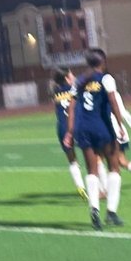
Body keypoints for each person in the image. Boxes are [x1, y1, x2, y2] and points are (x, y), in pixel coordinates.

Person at [63, 48, 126, 230]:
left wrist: (69, 132)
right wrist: (120, 125)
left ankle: (94, 210)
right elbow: (113, 102)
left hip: (83, 128)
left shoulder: (79, 81)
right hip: (102, 127)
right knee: (114, 167)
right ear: (102, 61)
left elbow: (72, 108)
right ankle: (111, 212)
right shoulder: (106, 78)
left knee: (92, 170)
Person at [51, 67, 89, 200]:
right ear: (67, 78)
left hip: (61, 127)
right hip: (76, 126)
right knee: (92, 155)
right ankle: (100, 186)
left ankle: (80, 186)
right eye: (71, 74)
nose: (74, 76)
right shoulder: (75, 89)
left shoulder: (55, 92)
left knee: (72, 160)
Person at [101, 90, 131, 189]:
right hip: (111, 131)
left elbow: (121, 111)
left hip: (113, 132)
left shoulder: (108, 95)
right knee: (120, 160)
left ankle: (106, 188)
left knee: (105, 159)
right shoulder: (103, 94)